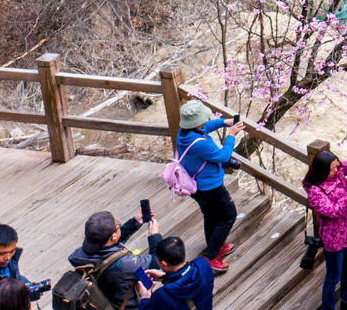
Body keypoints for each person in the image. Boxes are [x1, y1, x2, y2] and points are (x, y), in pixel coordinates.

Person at [173, 100, 243, 272]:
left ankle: (215, 245)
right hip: (210, 187)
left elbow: (205, 127)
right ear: (196, 123)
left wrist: (223, 122)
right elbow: (223, 155)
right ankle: (212, 257)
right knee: (228, 215)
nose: (206, 122)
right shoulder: (201, 144)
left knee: (210, 216)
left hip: (196, 185)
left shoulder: (183, 132)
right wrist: (232, 135)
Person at [303, 149, 347, 310]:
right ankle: (328, 307)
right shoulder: (315, 190)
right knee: (333, 277)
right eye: (332, 168)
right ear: (321, 170)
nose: (337, 170)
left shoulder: (337, 171)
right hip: (334, 238)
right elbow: (332, 211)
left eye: (336, 166)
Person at [66, 210, 161, 309]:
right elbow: (159, 260)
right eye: (118, 226)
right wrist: (154, 235)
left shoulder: (78, 256)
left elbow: (109, 243)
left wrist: (135, 222)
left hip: (106, 298)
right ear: (113, 236)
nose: (119, 227)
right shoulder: (126, 264)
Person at [134, 237, 213, 310]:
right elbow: (186, 278)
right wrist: (164, 277)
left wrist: (145, 298)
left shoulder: (162, 295)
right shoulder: (203, 264)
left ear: (164, 263)